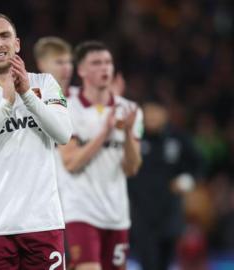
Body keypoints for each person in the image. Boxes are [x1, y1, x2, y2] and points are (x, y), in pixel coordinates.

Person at [0, 12, 71, 269]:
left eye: (4, 35)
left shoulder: (44, 84)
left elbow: (63, 133)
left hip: (43, 223)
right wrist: (6, 104)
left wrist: (26, 94)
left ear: (16, 44)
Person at [56, 41, 143, 270]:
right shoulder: (67, 108)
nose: (104, 68)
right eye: (96, 63)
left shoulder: (131, 110)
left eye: (108, 63)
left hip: (117, 214)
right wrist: (104, 133)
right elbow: (71, 163)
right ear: (82, 70)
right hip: (80, 211)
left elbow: (132, 168)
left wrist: (126, 133)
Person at [128, 100, 203, 270]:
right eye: (148, 112)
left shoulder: (178, 138)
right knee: (149, 263)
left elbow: (198, 164)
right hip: (142, 217)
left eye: (156, 112)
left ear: (165, 113)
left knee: (165, 263)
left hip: (170, 216)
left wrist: (188, 180)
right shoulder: (134, 139)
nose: (152, 117)